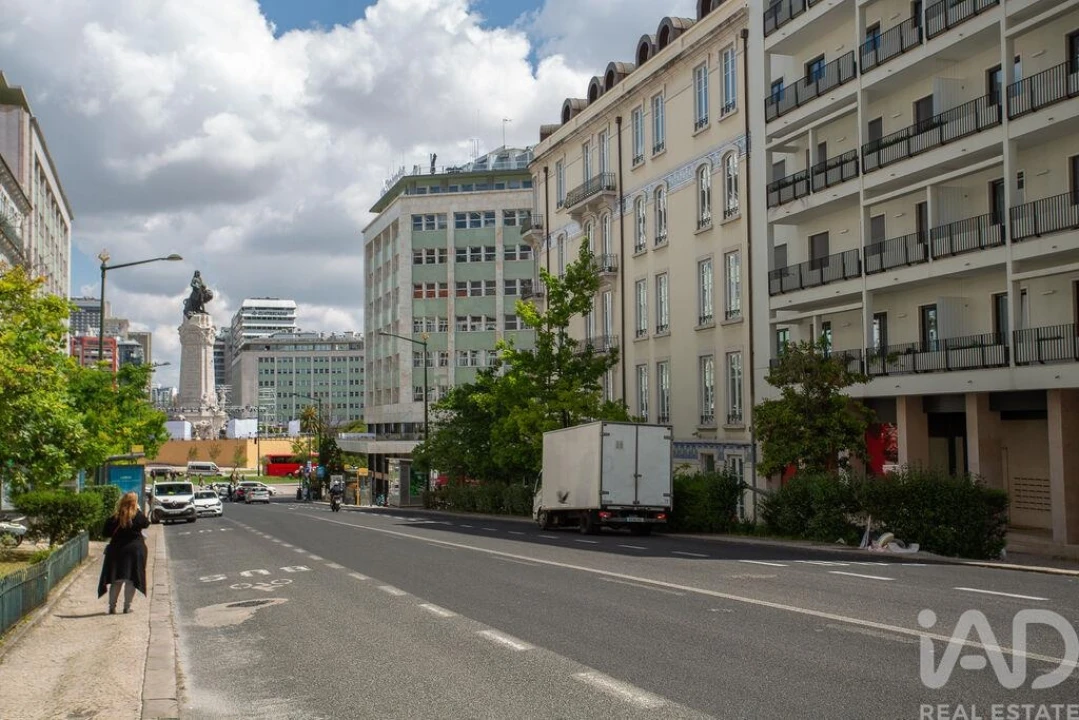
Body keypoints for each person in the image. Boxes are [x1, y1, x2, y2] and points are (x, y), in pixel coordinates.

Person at [97, 492, 150, 615]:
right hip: (135, 551)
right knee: (131, 579)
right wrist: (138, 511)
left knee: (117, 580)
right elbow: (146, 523)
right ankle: (127, 607)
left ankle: (112, 607)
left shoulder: (114, 517)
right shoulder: (137, 516)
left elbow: (105, 533)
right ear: (135, 503)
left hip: (116, 551)